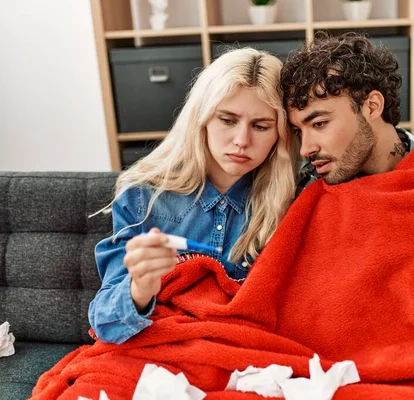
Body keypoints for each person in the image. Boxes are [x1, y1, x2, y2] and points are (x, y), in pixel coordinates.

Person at [89, 48, 299, 344]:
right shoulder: (142, 196)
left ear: (280, 134)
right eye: (227, 120)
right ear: (201, 118)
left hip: (246, 354)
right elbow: (105, 324)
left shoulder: (291, 202)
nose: (242, 141)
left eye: (261, 126)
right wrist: (139, 289)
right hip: (162, 353)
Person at [281, 32, 414, 195]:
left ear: (372, 107)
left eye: (319, 124)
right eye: (298, 131)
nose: (305, 150)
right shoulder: (306, 189)